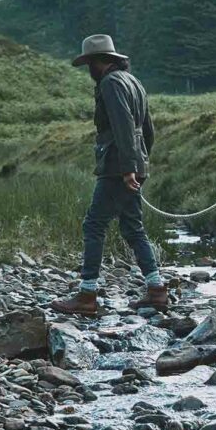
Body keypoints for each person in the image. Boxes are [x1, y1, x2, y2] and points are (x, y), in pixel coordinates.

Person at [51, 34, 168, 316]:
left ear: (95, 62)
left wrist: (128, 168)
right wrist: (141, 164)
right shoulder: (133, 81)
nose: (88, 70)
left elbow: (123, 124)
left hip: (117, 166)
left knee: (94, 225)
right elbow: (147, 129)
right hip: (133, 164)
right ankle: (156, 290)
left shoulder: (110, 83)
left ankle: (87, 295)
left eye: (88, 63)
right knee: (132, 227)